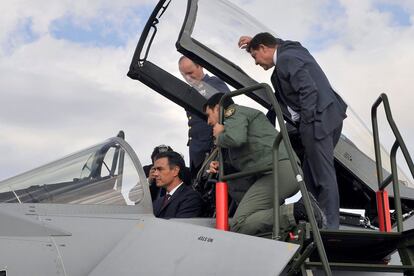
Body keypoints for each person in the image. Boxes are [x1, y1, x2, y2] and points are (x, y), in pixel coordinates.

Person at [238, 32, 347, 229]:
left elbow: (308, 90)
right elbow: (281, 43)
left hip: (316, 120)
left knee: (323, 175)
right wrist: (254, 40)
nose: (255, 62)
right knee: (310, 174)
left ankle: (330, 226)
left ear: (264, 48)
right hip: (328, 116)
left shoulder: (287, 59)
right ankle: (316, 220)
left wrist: (307, 122)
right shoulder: (291, 51)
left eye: (254, 56)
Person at [205, 93, 326, 236]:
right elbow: (248, 154)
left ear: (218, 108)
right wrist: (221, 165)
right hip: (278, 171)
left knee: (239, 224)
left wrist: (219, 136)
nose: (208, 122)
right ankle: (295, 213)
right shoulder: (236, 121)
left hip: (279, 171)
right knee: (250, 219)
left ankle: (298, 210)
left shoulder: (233, 113)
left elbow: (236, 139)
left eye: (208, 115)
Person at [178, 56, 230, 181]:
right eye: (184, 75)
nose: (188, 78)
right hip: (197, 151)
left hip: (211, 149)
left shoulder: (213, 83)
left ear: (200, 66)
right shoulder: (190, 90)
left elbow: (226, 108)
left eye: (190, 73)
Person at [152, 151, 203, 218]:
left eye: (160, 169)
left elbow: (181, 227)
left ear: (175, 171)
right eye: (155, 169)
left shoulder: (191, 198)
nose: (155, 174)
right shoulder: (157, 202)